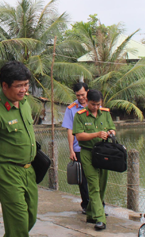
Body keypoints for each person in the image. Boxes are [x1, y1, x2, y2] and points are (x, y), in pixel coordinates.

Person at [0, 61, 37, 237]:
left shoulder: (24, 103)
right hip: (7, 172)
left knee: (29, 218)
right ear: (5, 85)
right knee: (18, 223)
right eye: (19, 86)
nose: (24, 90)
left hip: (28, 170)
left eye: (26, 85)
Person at [72, 89, 116, 231]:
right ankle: (100, 218)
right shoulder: (80, 116)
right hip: (87, 153)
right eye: (93, 104)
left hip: (103, 153)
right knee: (93, 185)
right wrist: (96, 134)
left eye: (98, 104)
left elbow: (112, 128)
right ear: (87, 101)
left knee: (102, 184)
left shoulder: (106, 113)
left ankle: (91, 214)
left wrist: (110, 133)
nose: (95, 107)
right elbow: (79, 136)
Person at [61, 82, 90, 214]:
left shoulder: (94, 104)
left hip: (94, 149)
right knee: (82, 179)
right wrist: (71, 150)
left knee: (96, 178)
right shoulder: (71, 109)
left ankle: (99, 205)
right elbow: (69, 130)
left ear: (87, 92)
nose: (81, 98)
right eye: (78, 95)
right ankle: (86, 205)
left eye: (83, 95)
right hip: (79, 149)